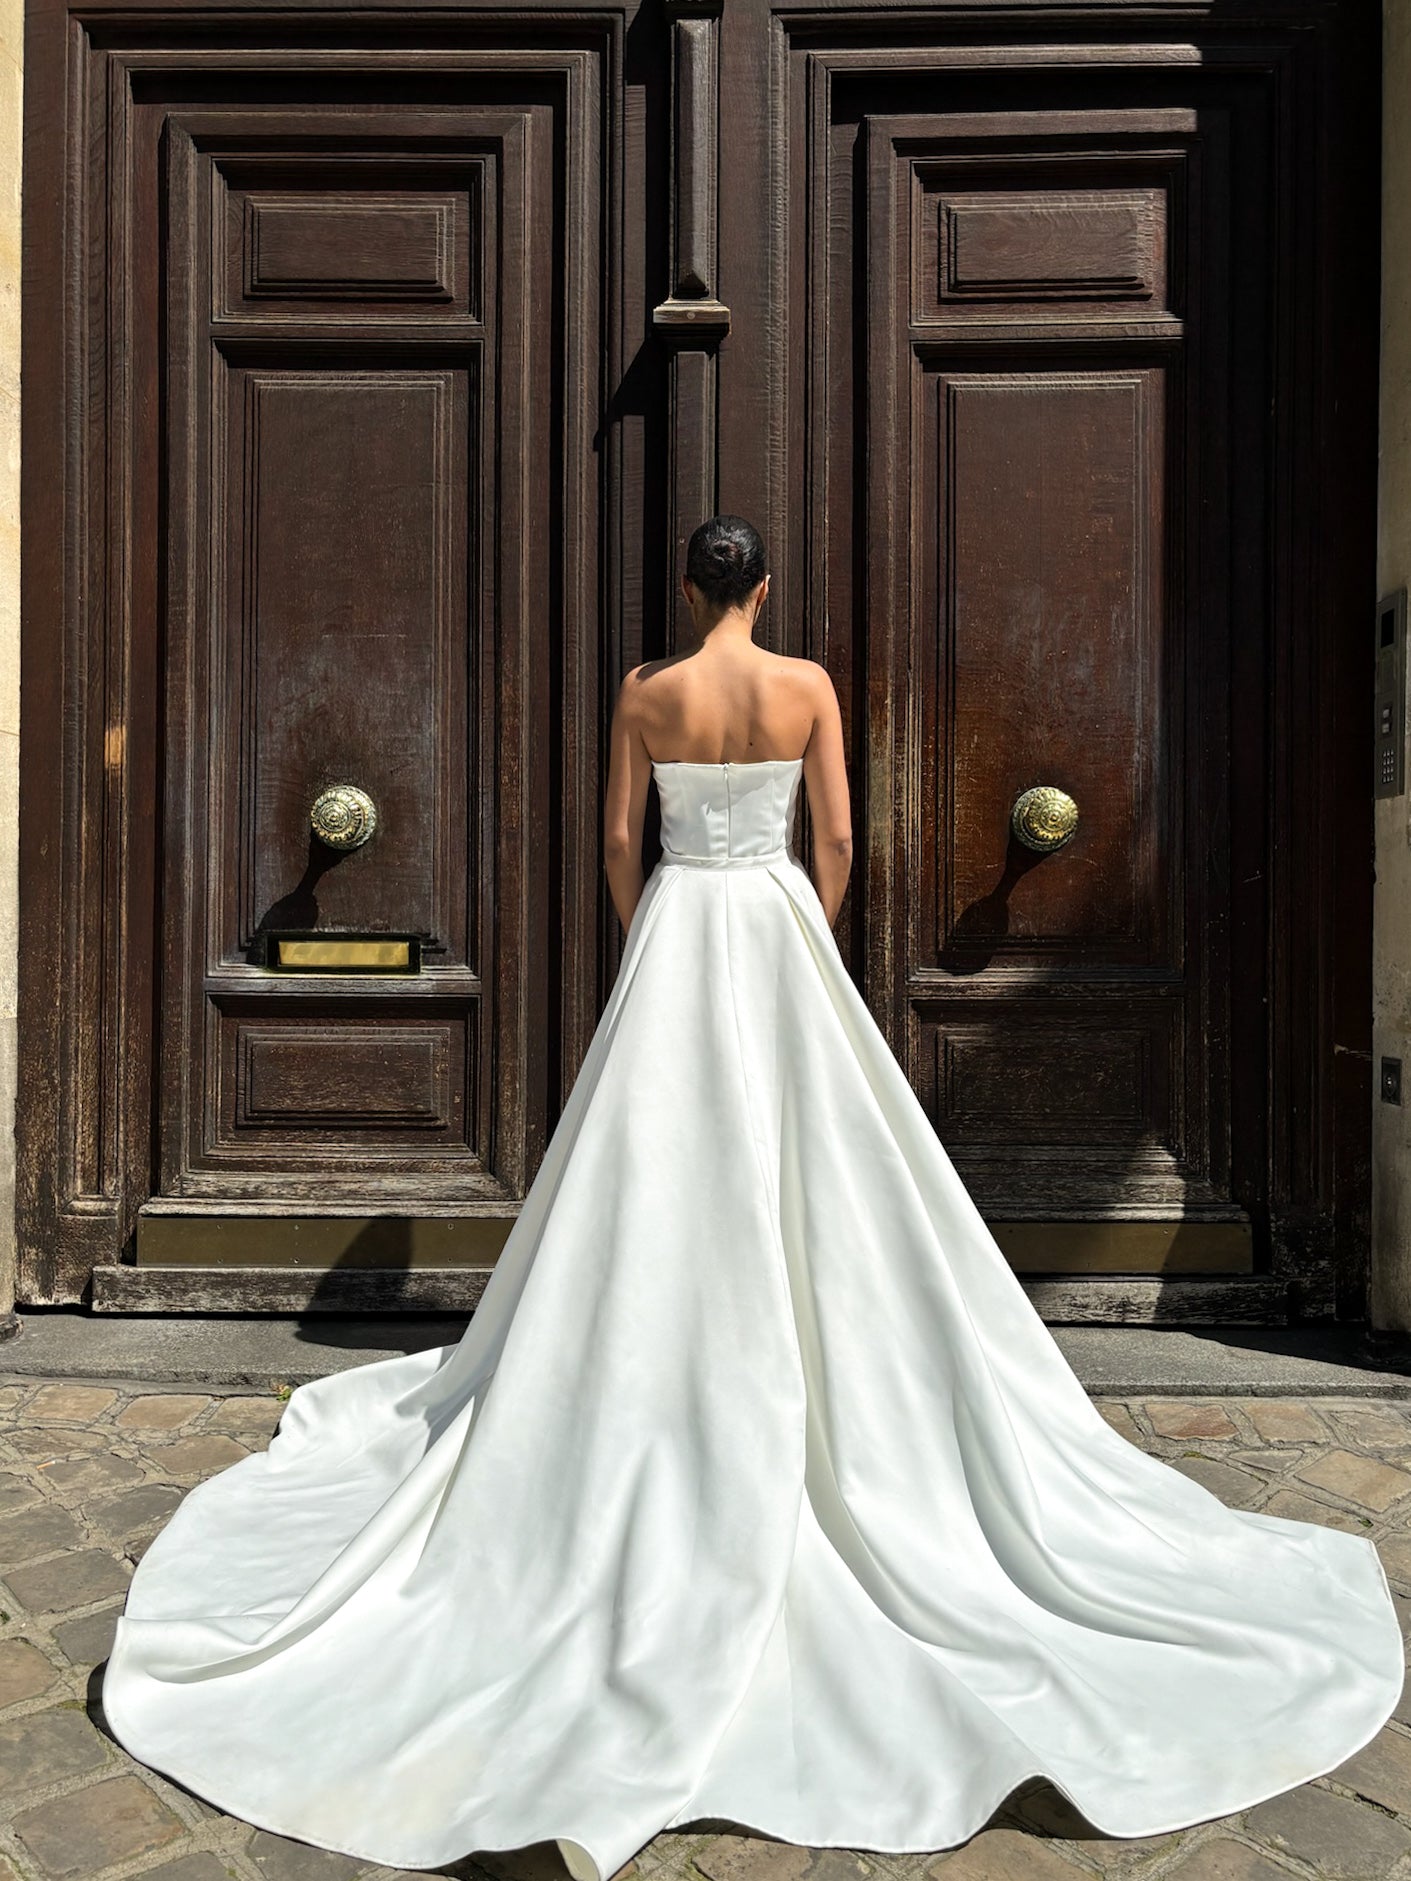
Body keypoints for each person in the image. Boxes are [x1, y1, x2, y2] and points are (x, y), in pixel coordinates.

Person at [102, 515, 1403, 1881]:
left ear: (687, 587)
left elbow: (619, 839)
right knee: (821, 1155)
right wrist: (796, 923)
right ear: (763, 587)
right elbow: (835, 834)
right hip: (772, 917)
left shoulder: (645, 694)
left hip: (682, 918)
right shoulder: (806, 685)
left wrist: (660, 922)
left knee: (650, 1155)